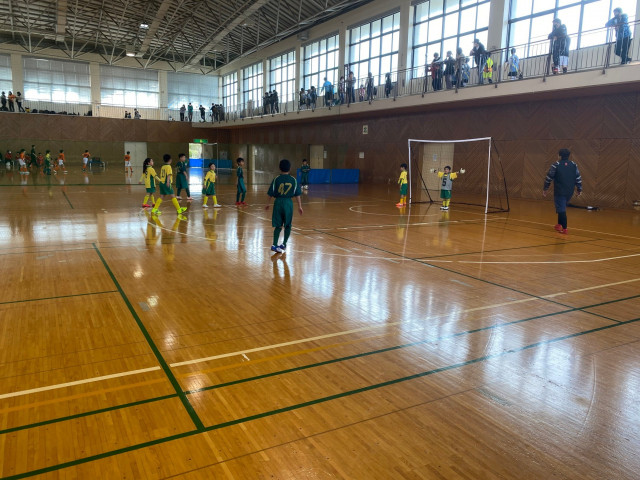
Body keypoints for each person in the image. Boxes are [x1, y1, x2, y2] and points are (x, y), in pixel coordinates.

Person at [265, 159, 303, 254]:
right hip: (288, 203)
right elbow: (297, 194)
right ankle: (284, 244)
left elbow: (270, 193)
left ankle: (274, 244)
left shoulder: (276, 179)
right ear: (290, 168)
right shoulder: (293, 180)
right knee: (288, 225)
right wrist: (300, 206)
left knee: (278, 225)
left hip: (277, 202)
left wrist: (267, 203)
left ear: (279, 168)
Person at [543, 148, 582, 234]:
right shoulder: (574, 165)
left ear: (559, 156)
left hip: (560, 191)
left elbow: (549, 178)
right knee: (561, 207)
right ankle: (559, 224)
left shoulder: (555, 165)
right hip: (570, 191)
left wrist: (545, 188)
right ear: (568, 156)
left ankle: (564, 228)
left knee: (561, 209)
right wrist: (579, 189)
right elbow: (578, 177)